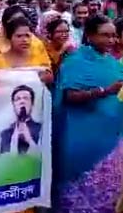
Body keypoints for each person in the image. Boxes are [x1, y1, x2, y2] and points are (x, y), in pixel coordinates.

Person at [54, 14, 123, 212]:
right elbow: (69, 96)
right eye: (105, 35)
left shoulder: (112, 62)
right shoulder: (76, 61)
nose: (112, 40)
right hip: (81, 134)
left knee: (107, 190)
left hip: (109, 135)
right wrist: (103, 92)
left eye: (114, 36)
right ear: (90, 36)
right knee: (77, 189)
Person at [0, 5, 49, 69]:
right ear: (5, 24)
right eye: (14, 21)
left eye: (21, 20)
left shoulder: (37, 43)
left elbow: (47, 72)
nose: (18, 24)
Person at [0, 85, 42, 155]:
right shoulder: (6, 133)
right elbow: (2, 159)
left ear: (32, 104)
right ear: (13, 105)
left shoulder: (41, 129)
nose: (22, 102)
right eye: (18, 99)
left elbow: (46, 157)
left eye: (26, 98)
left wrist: (29, 140)